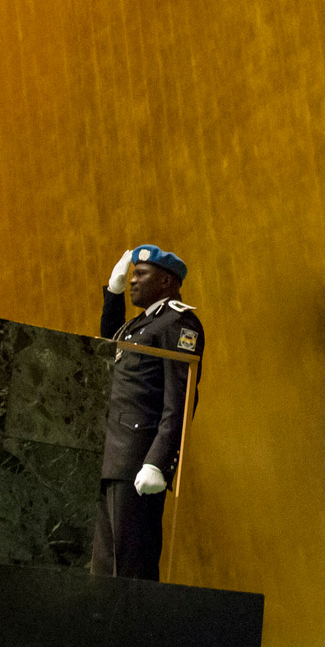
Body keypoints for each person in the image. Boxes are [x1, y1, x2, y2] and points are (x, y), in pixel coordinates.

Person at [92, 243, 203, 581]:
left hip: (138, 460)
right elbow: (111, 340)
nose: (133, 281)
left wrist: (157, 461)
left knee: (131, 568)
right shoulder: (140, 324)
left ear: (167, 281)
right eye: (132, 275)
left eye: (141, 274)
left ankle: (132, 633)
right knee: (104, 566)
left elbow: (180, 399)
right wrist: (112, 293)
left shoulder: (178, 322)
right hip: (113, 456)